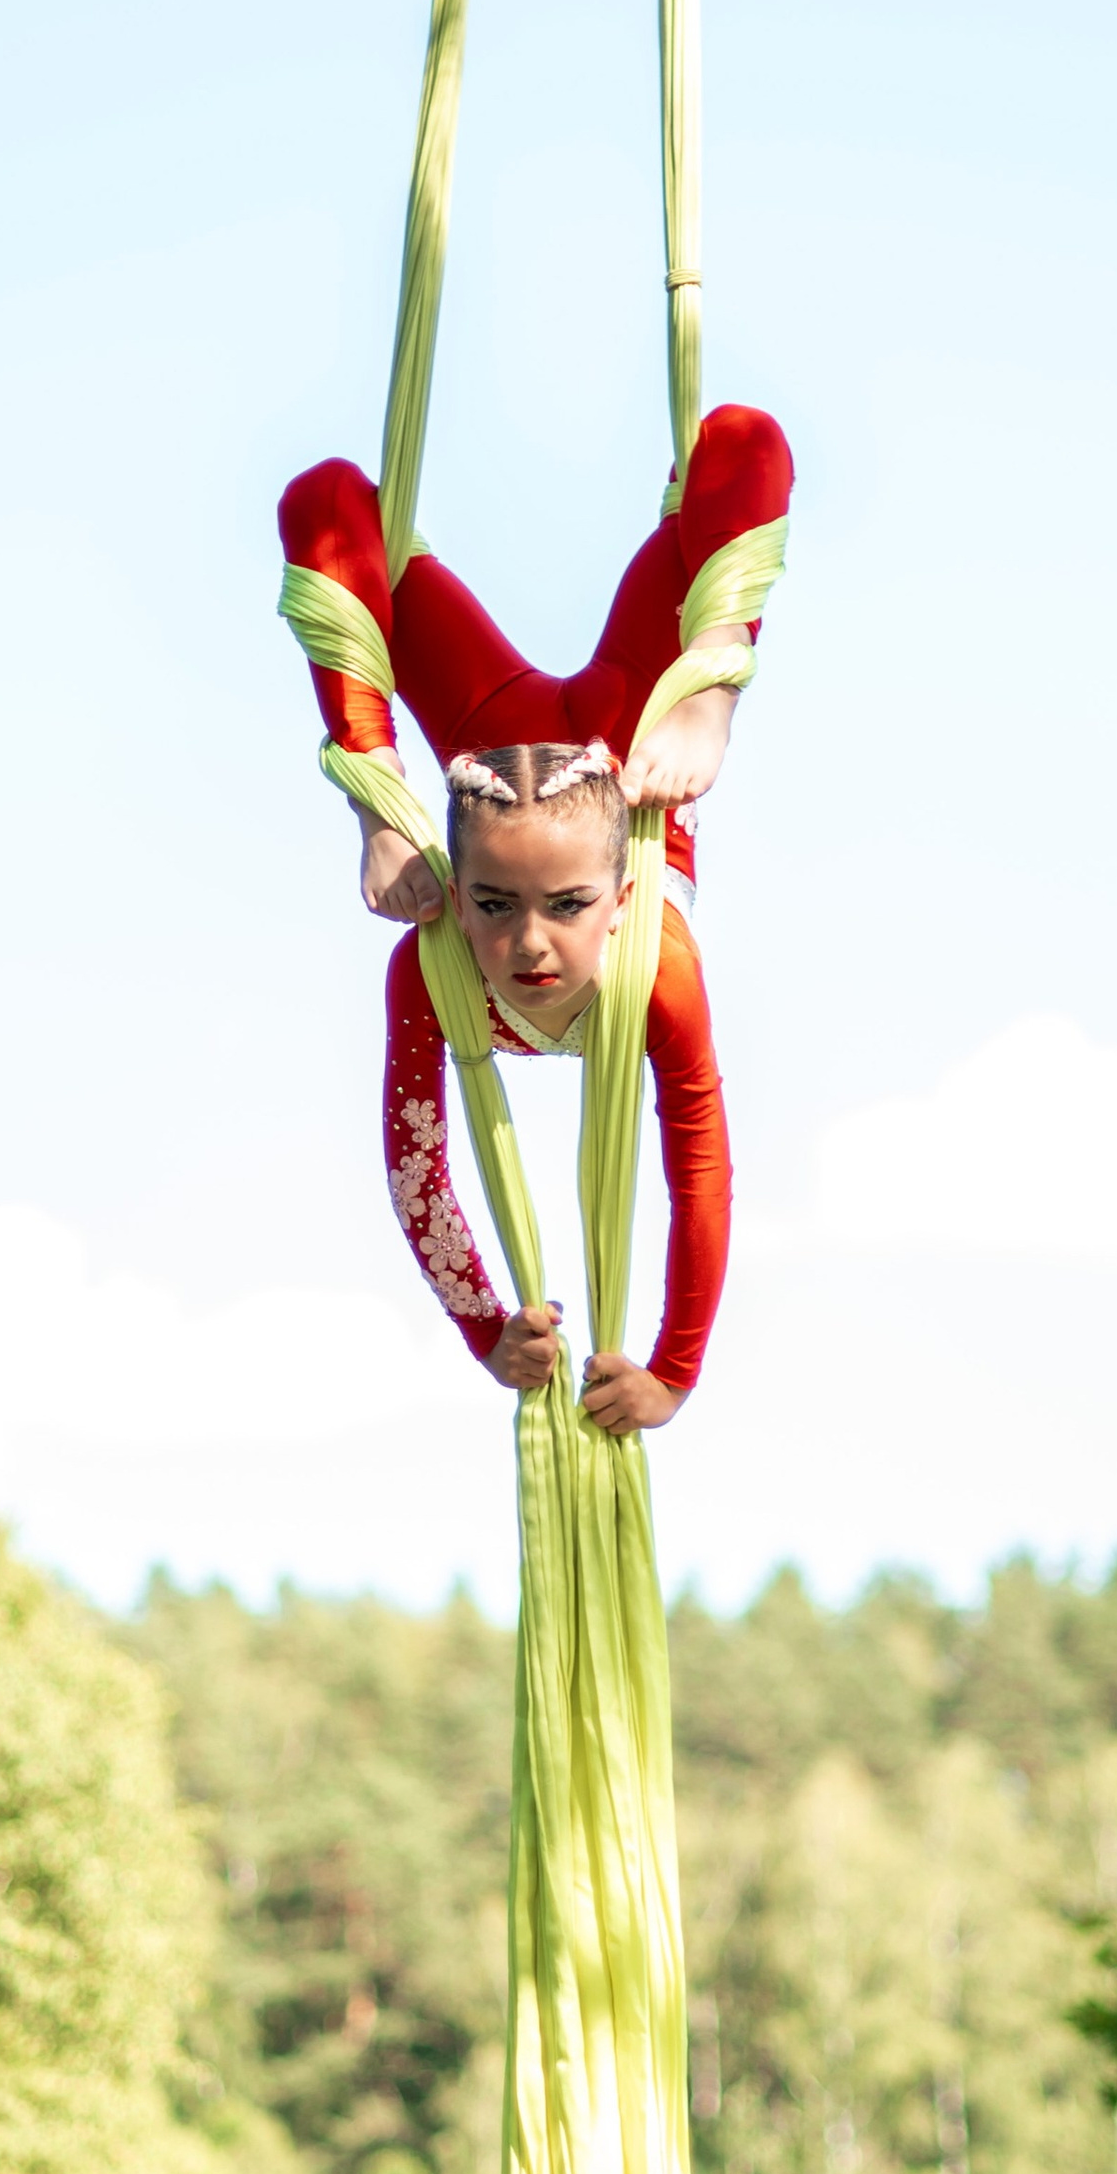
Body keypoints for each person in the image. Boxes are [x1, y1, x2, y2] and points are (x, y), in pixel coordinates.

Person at [278, 405, 792, 1433]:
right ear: (452, 893)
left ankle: (719, 675)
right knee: (326, 496)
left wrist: (673, 1369)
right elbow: (415, 1155)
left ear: (616, 905)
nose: (526, 943)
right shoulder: (432, 963)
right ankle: (373, 790)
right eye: (494, 911)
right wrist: (481, 1322)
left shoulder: (657, 971)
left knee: (735, 442)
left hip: (629, 759)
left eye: (564, 914)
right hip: (490, 760)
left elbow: (699, 1166)